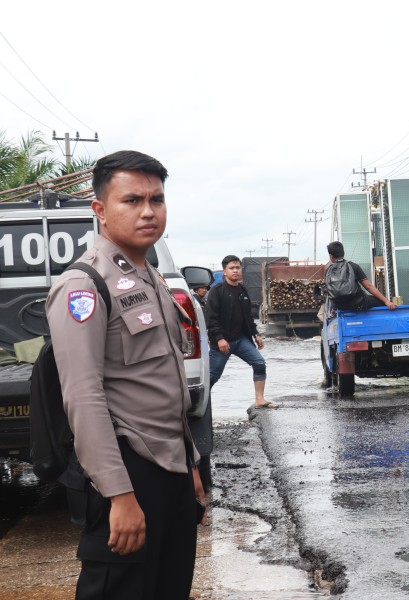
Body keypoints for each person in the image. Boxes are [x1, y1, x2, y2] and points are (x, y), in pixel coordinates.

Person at [46, 150, 206, 599]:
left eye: (156, 199)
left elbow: (167, 380)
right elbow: (83, 395)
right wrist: (119, 495)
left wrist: (190, 464)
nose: (148, 211)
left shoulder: (150, 277)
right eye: (131, 200)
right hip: (128, 469)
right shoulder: (83, 286)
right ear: (100, 210)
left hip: (171, 468)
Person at [206, 255, 277, 410]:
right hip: (222, 342)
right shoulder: (216, 292)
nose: (236, 271)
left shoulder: (242, 290)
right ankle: (198, 405)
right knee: (212, 376)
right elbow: (211, 319)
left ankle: (259, 399)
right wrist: (219, 339)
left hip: (241, 340)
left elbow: (248, 317)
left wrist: (256, 334)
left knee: (259, 363)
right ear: (224, 271)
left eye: (238, 268)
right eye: (232, 268)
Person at [325, 241, 397, 311]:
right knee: (380, 302)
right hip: (359, 304)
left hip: (341, 307)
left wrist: (335, 309)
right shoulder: (353, 266)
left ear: (331, 256)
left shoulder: (328, 271)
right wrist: (386, 301)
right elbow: (368, 286)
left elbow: (329, 291)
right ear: (343, 252)